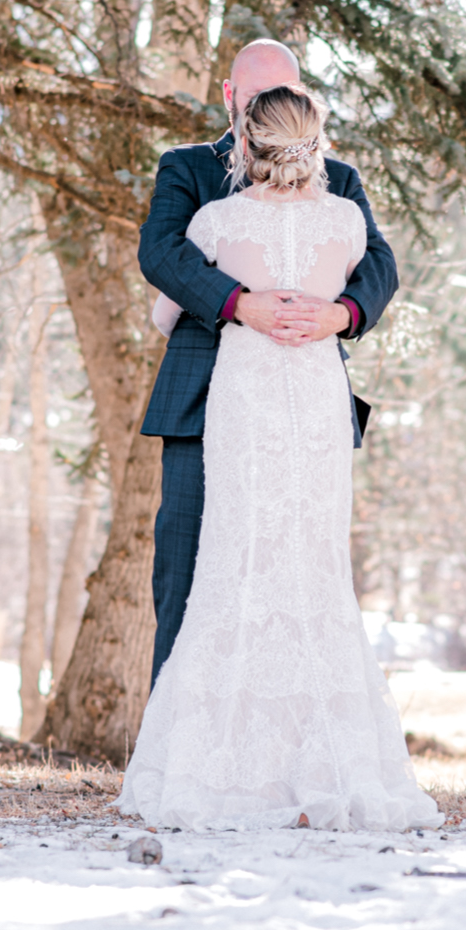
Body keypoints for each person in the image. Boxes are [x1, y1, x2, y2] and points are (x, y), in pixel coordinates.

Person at [121, 78, 439, 832]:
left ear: (248, 142)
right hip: (316, 397)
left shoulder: (215, 220)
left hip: (247, 394)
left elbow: (164, 310)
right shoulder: (345, 221)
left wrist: (247, 304)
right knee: (312, 561)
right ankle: (327, 758)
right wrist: (317, 309)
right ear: (313, 141)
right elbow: (374, 261)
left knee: (236, 557)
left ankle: (220, 763)